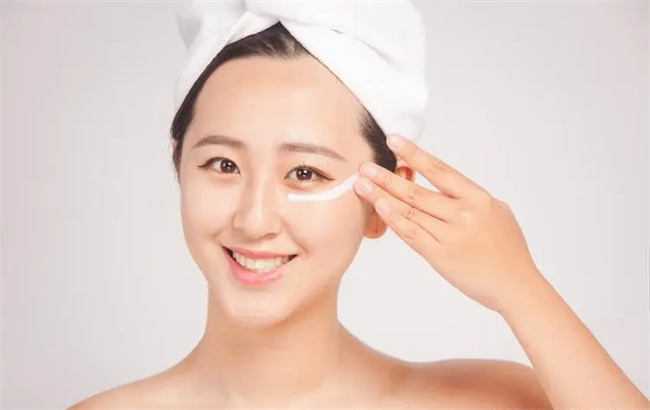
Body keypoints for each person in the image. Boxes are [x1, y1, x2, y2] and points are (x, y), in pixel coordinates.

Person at [68, 6, 649, 410]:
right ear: (178, 163)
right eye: (223, 164)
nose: (254, 220)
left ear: (383, 200)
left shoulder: (491, 402)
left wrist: (522, 289)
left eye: (305, 172)